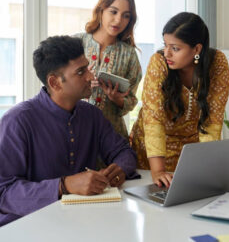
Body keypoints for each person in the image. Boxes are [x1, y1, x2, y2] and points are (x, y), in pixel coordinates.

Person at [0, 36, 138, 226]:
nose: (91, 77)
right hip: (30, 227)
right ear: (55, 82)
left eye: (87, 68)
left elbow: (123, 151)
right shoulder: (17, 121)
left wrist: (120, 168)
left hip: (83, 222)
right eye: (81, 72)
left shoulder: (91, 115)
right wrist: (63, 185)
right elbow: (4, 192)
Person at [130, 12, 229, 188]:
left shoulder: (217, 64)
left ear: (197, 49)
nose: (167, 53)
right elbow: (153, 120)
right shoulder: (159, 62)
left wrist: (205, 168)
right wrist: (158, 171)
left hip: (189, 153)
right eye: (165, 45)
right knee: (154, 200)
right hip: (152, 155)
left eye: (175, 48)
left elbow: (212, 122)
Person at [75, 0, 142, 139]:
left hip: (112, 137)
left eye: (126, 16)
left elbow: (131, 100)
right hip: (76, 133)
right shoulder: (77, 43)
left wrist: (117, 98)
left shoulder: (129, 54)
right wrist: (81, 83)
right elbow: (56, 86)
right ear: (101, 10)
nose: (118, 20)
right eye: (113, 12)